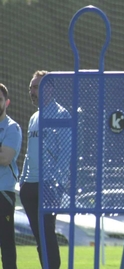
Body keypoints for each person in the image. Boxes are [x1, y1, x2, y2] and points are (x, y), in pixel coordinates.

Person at [20, 70, 71, 269]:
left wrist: (56, 184)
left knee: (47, 234)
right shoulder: (34, 117)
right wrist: (23, 181)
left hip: (48, 185)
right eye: (30, 87)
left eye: (36, 87)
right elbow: (28, 153)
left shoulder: (61, 113)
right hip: (29, 186)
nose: (32, 91)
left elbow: (65, 153)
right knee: (39, 237)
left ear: (49, 88)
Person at [0, 83, 22, 269]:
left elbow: (5, 158)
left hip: (3, 194)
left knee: (6, 243)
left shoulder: (12, 128)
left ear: (6, 102)